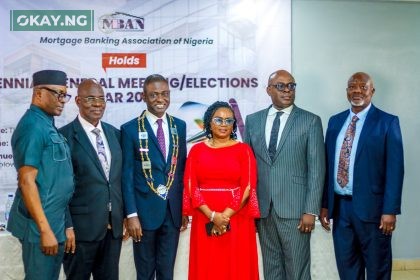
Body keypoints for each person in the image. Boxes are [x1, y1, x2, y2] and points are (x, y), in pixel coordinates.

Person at [320, 72, 404, 280]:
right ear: (347, 90)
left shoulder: (387, 122)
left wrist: (390, 210)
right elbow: (327, 165)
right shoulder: (335, 122)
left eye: (362, 87)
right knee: (347, 268)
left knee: (377, 269)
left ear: (372, 91)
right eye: (352, 86)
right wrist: (325, 204)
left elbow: (395, 169)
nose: (357, 90)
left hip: (374, 211)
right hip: (340, 210)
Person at [244, 69, 325, 280]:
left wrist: (311, 209)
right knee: (272, 269)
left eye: (291, 85)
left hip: (296, 210)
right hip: (264, 210)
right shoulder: (253, 120)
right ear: (268, 90)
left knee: (297, 269)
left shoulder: (310, 121)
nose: (287, 90)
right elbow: (248, 167)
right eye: (281, 86)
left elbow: (317, 169)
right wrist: (249, 208)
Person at [7, 70, 74, 280]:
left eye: (65, 95)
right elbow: (27, 182)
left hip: (55, 224)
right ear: (38, 93)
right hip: (39, 228)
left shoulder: (47, 124)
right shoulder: (32, 126)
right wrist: (45, 231)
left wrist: (65, 226)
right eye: (57, 94)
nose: (62, 101)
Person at [121, 74, 188, 280]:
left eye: (165, 94)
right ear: (144, 96)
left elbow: (182, 170)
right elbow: (127, 175)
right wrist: (131, 215)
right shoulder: (130, 129)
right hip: (143, 213)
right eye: (154, 95)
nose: (161, 99)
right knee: (145, 272)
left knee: (167, 272)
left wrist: (184, 208)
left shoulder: (180, 125)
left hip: (173, 211)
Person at [183, 101, 260, 280]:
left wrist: (223, 216)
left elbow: (248, 186)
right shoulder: (196, 150)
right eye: (218, 120)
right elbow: (190, 184)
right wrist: (212, 216)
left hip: (237, 218)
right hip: (204, 218)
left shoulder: (244, 150)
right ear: (209, 122)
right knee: (207, 267)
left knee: (236, 268)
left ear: (234, 124)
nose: (224, 124)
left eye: (228, 120)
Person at [59, 79, 126, 279]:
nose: (97, 104)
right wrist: (67, 225)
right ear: (78, 101)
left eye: (101, 99)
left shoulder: (115, 134)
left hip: (112, 229)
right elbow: (59, 188)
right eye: (90, 99)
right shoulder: (64, 137)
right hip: (80, 232)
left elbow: (117, 180)